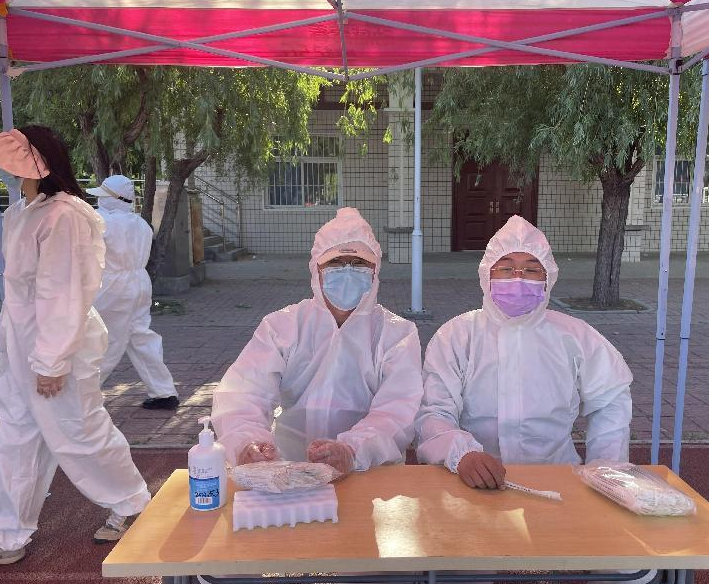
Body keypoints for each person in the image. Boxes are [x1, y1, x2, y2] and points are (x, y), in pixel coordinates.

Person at [0, 127, 151, 571]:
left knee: (78, 431)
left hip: (58, 346)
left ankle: (132, 504)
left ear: (39, 162)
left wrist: (52, 360)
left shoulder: (64, 215)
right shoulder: (22, 211)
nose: (6, 167)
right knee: (15, 437)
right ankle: (5, 534)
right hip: (21, 344)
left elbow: (63, 292)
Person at [416, 215, 633, 489]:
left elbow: (610, 399)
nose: (518, 278)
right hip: (471, 481)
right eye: (506, 268)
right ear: (487, 276)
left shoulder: (575, 337)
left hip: (557, 479)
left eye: (531, 270)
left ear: (548, 279)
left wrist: (606, 468)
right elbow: (434, 411)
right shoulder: (456, 336)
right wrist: (461, 453)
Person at [212, 207, 422, 476]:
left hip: (368, 472)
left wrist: (353, 450)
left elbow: (398, 410)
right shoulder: (282, 326)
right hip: (288, 470)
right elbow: (243, 393)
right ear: (316, 270)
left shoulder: (397, 334)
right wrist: (248, 442)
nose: (347, 271)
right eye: (335, 262)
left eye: (359, 263)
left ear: (375, 271)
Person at [88, 175, 179, 410]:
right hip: (140, 282)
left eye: (104, 196)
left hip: (111, 285)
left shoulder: (100, 221)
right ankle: (164, 392)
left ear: (115, 199)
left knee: (104, 340)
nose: (100, 201)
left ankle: (83, 395)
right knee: (140, 336)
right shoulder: (141, 224)